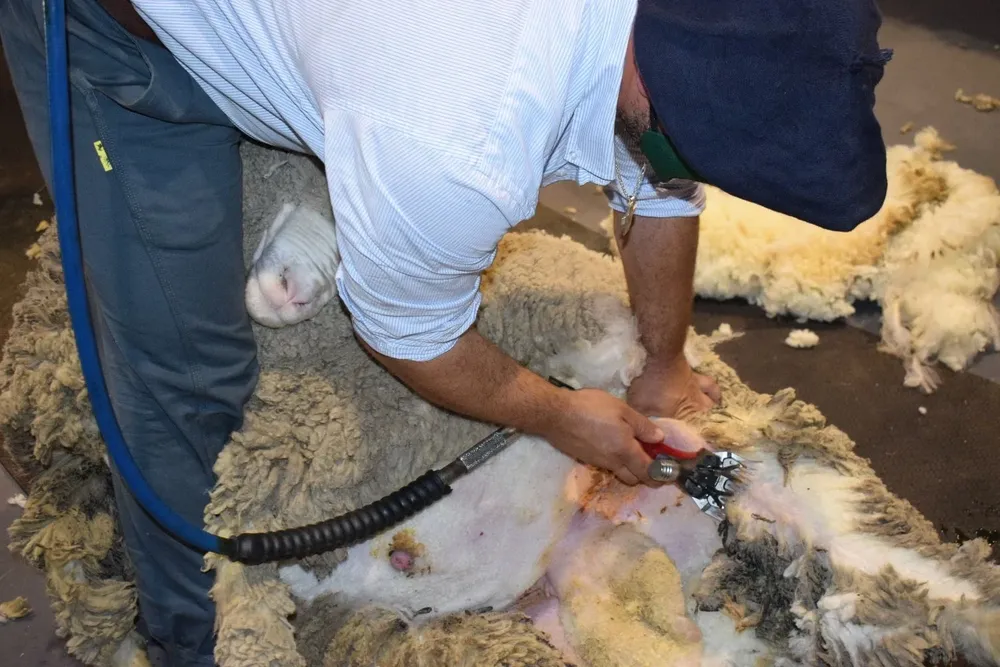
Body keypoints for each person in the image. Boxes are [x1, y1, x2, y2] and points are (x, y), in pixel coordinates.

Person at [0, 0, 890, 663]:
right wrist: (554, 414)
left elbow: (659, 178)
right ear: (650, 70)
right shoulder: (459, 135)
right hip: (123, 40)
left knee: (369, 182)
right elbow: (405, 334)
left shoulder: (665, 44)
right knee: (186, 374)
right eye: (676, 145)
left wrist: (663, 363)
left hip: (365, 60)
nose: (669, 168)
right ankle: (194, 642)